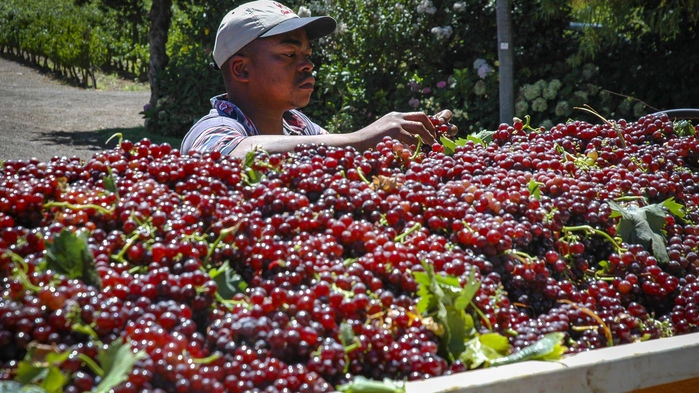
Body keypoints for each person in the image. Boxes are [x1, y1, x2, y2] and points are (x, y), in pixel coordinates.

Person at [180, 0, 456, 158]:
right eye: (289, 54)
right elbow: (234, 153)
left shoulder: (298, 126)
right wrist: (361, 138)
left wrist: (411, 135)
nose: (308, 65)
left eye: (308, 54)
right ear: (241, 70)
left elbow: (340, 150)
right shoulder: (213, 128)